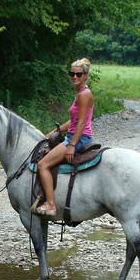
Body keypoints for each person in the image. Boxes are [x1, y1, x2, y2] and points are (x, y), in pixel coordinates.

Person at [34, 58, 95, 217]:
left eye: (78, 74)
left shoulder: (84, 94)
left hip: (79, 138)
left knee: (42, 165)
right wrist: (56, 130)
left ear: (85, 76)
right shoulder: (81, 93)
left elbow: (81, 122)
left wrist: (72, 145)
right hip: (74, 135)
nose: (74, 77)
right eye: (72, 74)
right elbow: (74, 120)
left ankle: (51, 204)